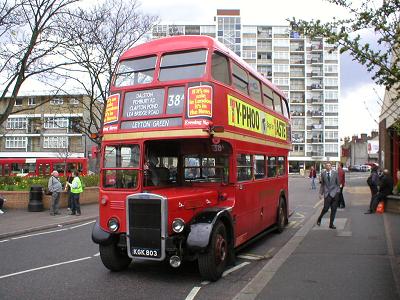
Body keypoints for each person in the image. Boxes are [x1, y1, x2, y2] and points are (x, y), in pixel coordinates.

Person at [317, 162, 340, 229]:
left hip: (335, 193)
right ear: (325, 167)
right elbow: (322, 184)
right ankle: (319, 218)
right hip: (327, 194)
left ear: (331, 166)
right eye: (327, 165)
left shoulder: (335, 173)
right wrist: (320, 193)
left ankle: (331, 224)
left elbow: (338, 183)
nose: (328, 166)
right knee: (326, 208)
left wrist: (337, 192)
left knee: (333, 209)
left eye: (329, 165)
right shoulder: (323, 174)